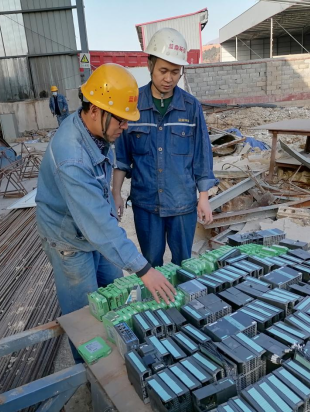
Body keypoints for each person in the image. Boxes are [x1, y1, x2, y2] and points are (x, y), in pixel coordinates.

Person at [36, 64, 176, 360]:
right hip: (69, 239)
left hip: (92, 228)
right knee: (84, 317)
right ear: (95, 110)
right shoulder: (71, 157)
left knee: (115, 292)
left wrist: (113, 193)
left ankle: (120, 353)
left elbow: (100, 196)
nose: (125, 127)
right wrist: (144, 270)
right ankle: (90, 371)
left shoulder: (96, 131)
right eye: (121, 120)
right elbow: (97, 224)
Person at [113, 28, 217, 268]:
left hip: (182, 204)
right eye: (163, 70)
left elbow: (202, 156)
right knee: (151, 265)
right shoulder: (134, 105)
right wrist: (116, 192)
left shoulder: (190, 107)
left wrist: (203, 198)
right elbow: (121, 156)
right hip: (146, 205)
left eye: (175, 71)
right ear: (149, 65)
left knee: (184, 264)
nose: (169, 78)